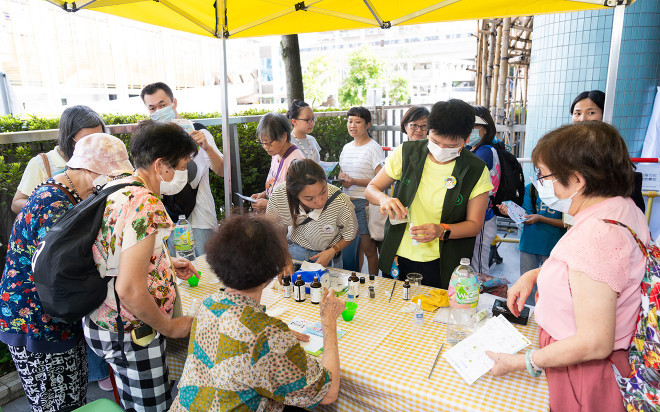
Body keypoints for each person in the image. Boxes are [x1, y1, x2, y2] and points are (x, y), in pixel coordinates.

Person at [487, 122, 651, 411]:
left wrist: (520, 361)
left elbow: (594, 342)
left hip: (584, 369)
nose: (539, 182)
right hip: (594, 357)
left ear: (576, 180)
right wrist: (535, 273)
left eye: (543, 174)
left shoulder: (597, 235)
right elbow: (597, 273)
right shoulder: (622, 207)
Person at [0, 133, 132, 411]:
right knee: (58, 404)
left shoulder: (68, 190)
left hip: (55, 315)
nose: (112, 185)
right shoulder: (54, 202)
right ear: (87, 169)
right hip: (37, 321)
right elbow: (69, 268)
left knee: (74, 398)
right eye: (110, 177)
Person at [170, 214, 344, 411]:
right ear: (272, 271)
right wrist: (328, 323)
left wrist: (276, 335)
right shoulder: (268, 336)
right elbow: (328, 394)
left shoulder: (208, 305)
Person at [83, 121, 199, 411]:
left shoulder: (117, 185)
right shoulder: (145, 203)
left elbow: (114, 252)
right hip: (130, 330)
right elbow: (130, 288)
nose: (183, 174)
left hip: (100, 319)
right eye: (182, 166)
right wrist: (169, 328)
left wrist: (164, 261)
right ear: (161, 166)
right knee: (151, 408)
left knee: (134, 401)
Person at [364, 99, 493, 289]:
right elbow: (371, 189)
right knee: (394, 309)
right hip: (399, 253)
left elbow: (474, 225)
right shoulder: (407, 153)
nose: (441, 149)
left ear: (467, 139)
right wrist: (384, 199)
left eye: (450, 146)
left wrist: (441, 230)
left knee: (434, 312)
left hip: (442, 259)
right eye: (434, 141)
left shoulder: (475, 169)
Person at [141, 82, 224, 255]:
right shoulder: (151, 141)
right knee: (176, 273)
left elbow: (222, 171)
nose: (158, 111)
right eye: (152, 108)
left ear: (174, 103)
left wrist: (207, 148)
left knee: (206, 273)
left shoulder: (198, 132)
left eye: (162, 105)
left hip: (200, 219)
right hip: (168, 220)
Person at [11, 105, 105, 214]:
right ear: (68, 137)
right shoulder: (41, 163)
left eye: (100, 137)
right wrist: (54, 203)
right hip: (60, 229)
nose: (95, 144)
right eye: (87, 139)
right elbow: (16, 204)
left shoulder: (101, 160)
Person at [266, 159, 358, 269]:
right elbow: (275, 230)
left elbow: (351, 232)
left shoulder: (339, 201)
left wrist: (333, 250)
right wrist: (285, 259)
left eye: (323, 192)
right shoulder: (280, 195)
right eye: (309, 199)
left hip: (327, 254)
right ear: (294, 195)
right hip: (294, 251)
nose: (320, 202)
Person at [571, 89, 645, 212]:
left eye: (591, 112)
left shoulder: (610, 144)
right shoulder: (571, 146)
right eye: (577, 113)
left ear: (604, 114)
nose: (582, 118)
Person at [496, 183, 565, 305]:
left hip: (554, 247)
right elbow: (526, 217)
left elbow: (566, 223)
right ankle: (528, 314)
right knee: (527, 286)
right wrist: (511, 213)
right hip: (529, 245)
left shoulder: (565, 189)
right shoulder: (531, 188)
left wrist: (541, 218)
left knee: (552, 286)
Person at [338, 107, 385, 275]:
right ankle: (355, 281)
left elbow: (381, 179)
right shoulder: (346, 147)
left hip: (364, 204)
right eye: (350, 121)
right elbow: (345, 172)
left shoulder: (373, 148)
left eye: (358, 122)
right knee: (350, 248)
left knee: (368, 248)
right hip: (346, 203)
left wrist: (354, 181)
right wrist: (342, 177)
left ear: (368, 125)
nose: (353, 125)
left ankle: (373, 283)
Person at [467, 107, 501, 275]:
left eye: (475, 127)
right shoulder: (474, 149)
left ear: (485, 130)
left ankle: (482, 296)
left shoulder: (485, 151)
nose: (470, 131)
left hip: (483, 216)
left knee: (479, 266)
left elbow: (468, 180)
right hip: (480, 214)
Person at [251, 112, 305, 211]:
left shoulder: (296, 162)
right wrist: (264, 194)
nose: (265, 147)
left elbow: (300, 203)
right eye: (262, 142)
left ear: (284, 136)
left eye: (268, 142)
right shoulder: (276, 154)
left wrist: (269, 204)